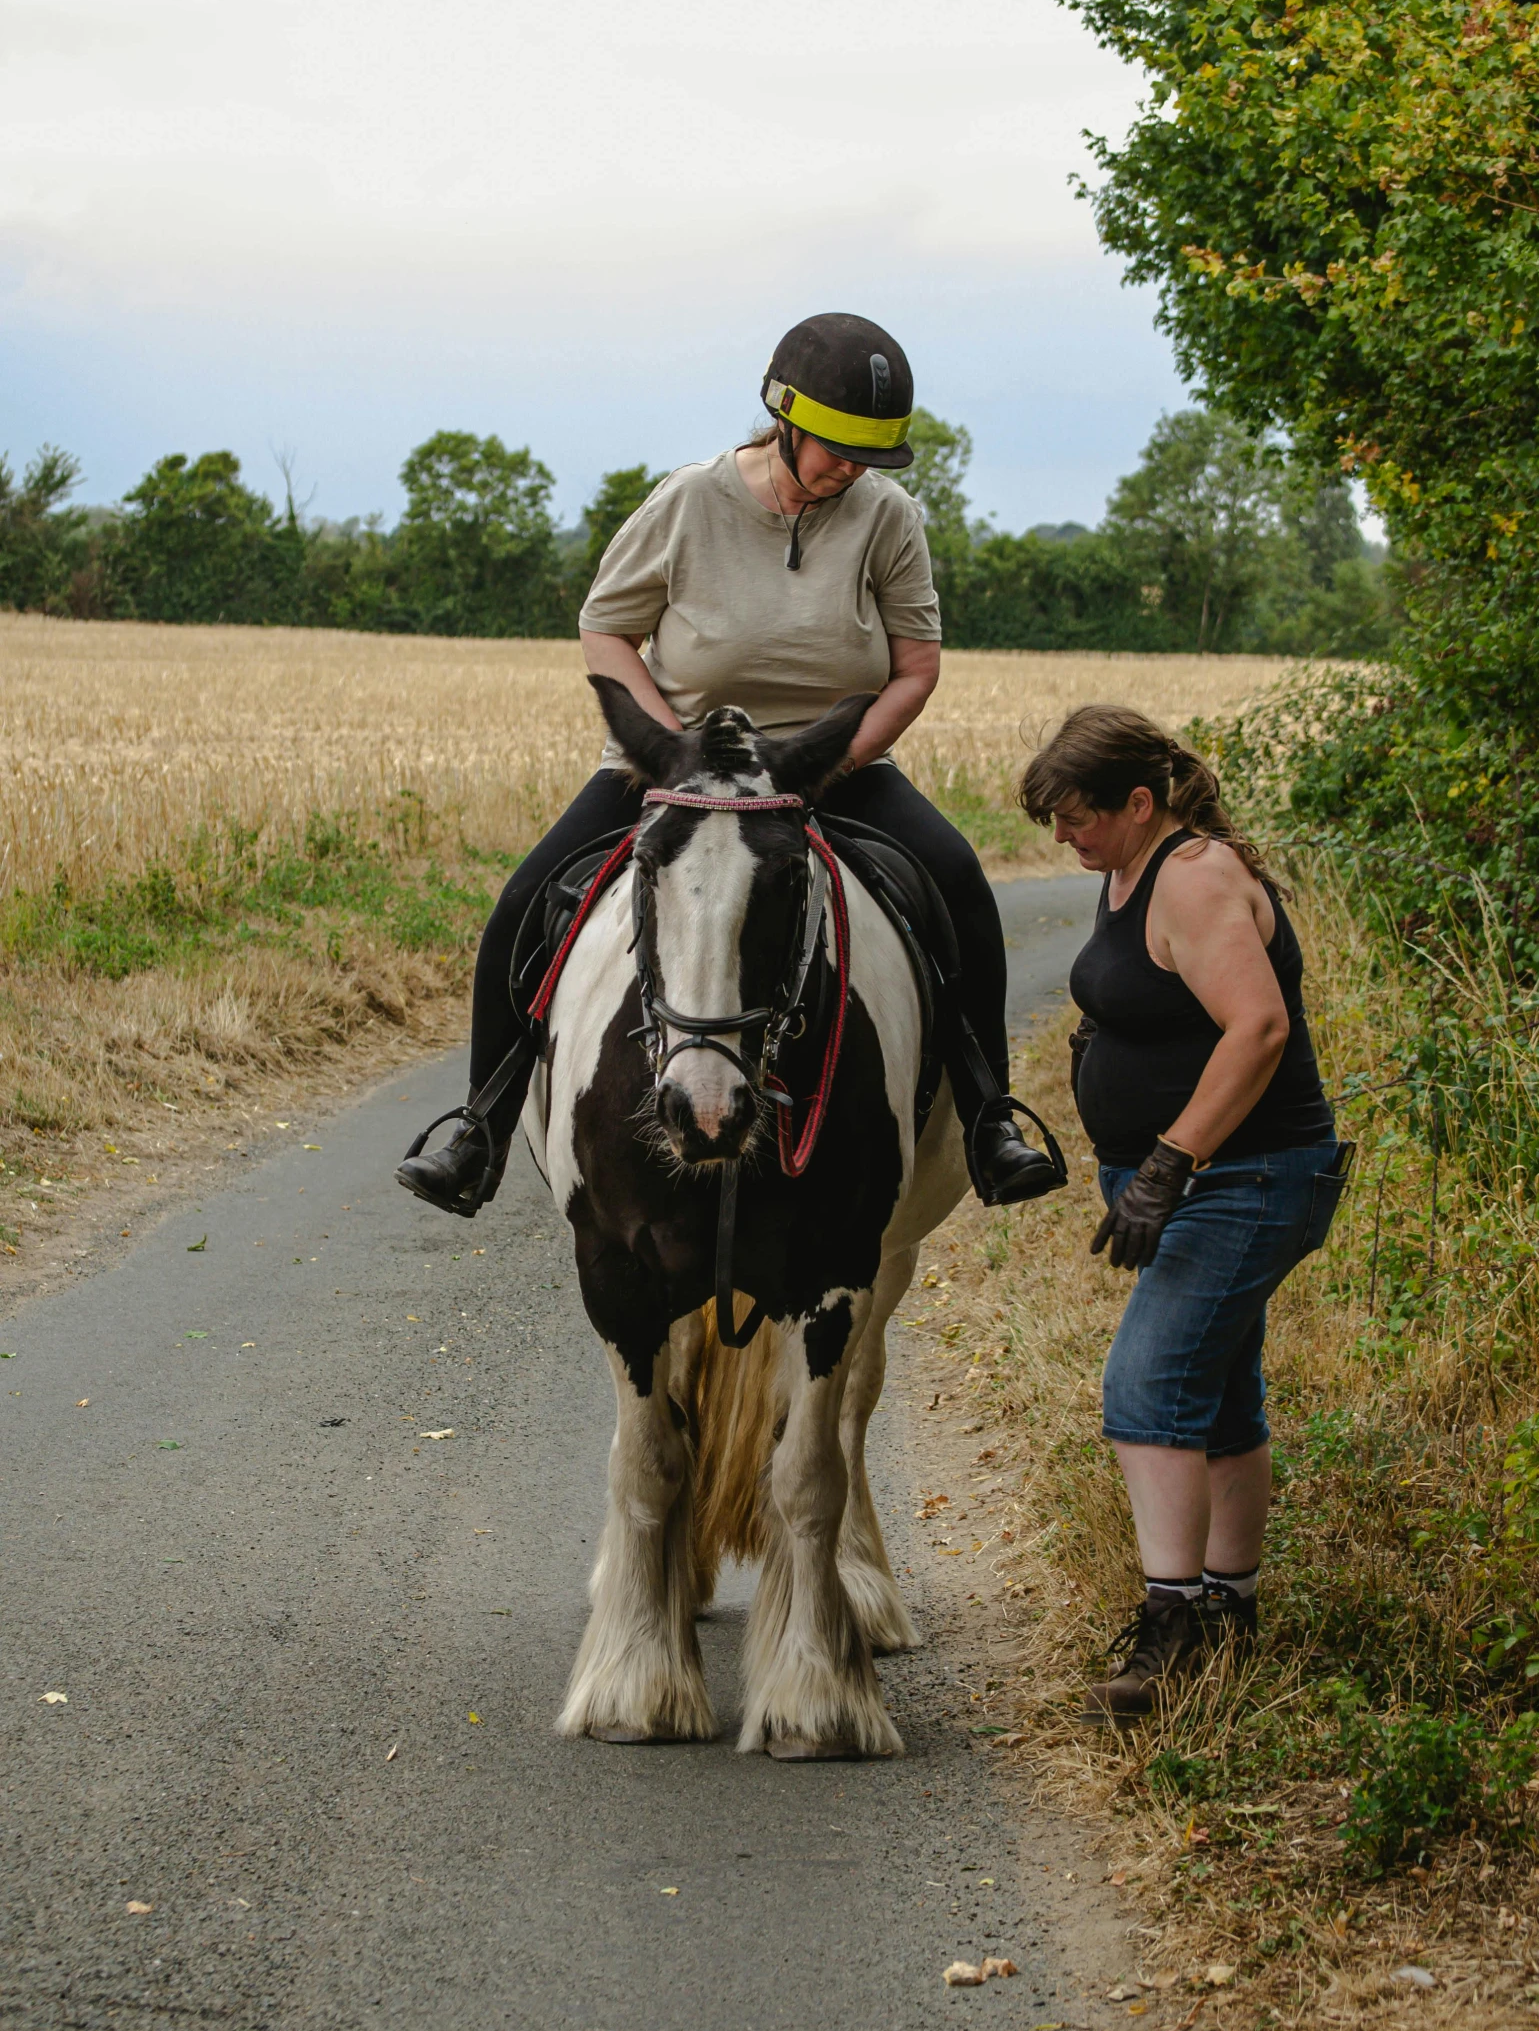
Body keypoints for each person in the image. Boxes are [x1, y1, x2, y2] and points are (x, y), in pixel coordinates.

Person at [399, 310, 1060, 1216]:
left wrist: (831, 767)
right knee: (525, 901)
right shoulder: (687, 502)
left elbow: (915, 670)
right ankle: (478, 1126)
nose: (851, 471)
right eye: (836, 449)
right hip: (671, 766)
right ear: (783, 418)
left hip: (830, 764)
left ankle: (990, 1120)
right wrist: (671, 750)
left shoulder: (887, 518)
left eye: (870, 458)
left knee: (956, 880)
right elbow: (605, 629)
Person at [1018, 705, 1351, 1723]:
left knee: (1150, 1383)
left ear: (1139, 801)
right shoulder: (1128, 868)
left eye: (1077, 817)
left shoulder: (1196, 874)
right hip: (1195, 1180)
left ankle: (1169, 1636)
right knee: (1219, 1397)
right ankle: (1232, 1611)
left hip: (1243, 1180)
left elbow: (1257, 1027)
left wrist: (1167, 1164)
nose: (1062, 838)